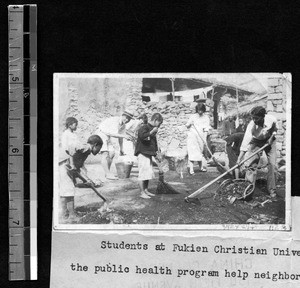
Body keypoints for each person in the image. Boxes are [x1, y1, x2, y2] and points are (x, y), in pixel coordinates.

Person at [59, 132, 103, 223]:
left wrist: (87, 180)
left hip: (63, 167)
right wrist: (71, 164)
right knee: (69, 192)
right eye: (99, 148)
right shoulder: (86, 147)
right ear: (95, 145)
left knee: (64, 192)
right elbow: (70, 147)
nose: (99, 151)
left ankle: (64, 214)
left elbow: (79, 168)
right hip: (65, 166)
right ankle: (71, 215)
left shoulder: (85, 153)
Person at [237, 106, 277, 198]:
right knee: (251, 165)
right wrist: (239, 158)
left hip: (270, 141)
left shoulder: (271, 119)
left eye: (257, 118)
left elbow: (275, 128)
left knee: (272, 165)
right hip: (256, 141)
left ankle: (272, 190)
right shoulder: (251, 126)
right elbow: (245, 143)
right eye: (253, 118)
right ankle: (248, 190)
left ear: (263, 116)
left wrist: (271, 138)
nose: (254, 120)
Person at [95, 110, 134, 180]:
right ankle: (108, 173)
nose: (127, 120)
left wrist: (122, 149)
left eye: (129, 119)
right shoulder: (115, 120)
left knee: (112, 153)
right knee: (105, 154)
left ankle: (108, 172)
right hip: (101, 133)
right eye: (126, 117)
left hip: (108, 136)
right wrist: (124, 136)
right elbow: (113, 134)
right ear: (123, 115)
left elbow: (120, 137)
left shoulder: (123, 125)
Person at [134, 113, 163, 199]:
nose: (160, 126)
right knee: (143, 173)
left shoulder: (152, 129)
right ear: (155, 120)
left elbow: (153, 142)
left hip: (148, 154)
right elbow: (142, 136)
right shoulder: (144, 127)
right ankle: (142, 192)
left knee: (147, 173)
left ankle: (146, 190)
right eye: (159, 123)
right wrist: (152, 132)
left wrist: (156, 152)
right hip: (142, 153)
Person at [185, 103, 211, 174]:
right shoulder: (193, 116)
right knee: (192, 152)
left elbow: (206, 129)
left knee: (200, 152)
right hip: (192, 136)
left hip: (200, 136)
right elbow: (187, 125)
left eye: (201, 110)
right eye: (199, 110)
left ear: (203, 110)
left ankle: (201, 167)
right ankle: (191, 169)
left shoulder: (206, 118)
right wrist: (189, 124)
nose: (200, 112)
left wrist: (204, 139)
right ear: (197, 110)